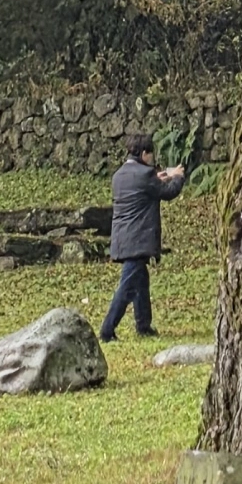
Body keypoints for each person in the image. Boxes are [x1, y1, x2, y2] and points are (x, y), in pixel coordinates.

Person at [99, 135, 187, 343]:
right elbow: (167, 191)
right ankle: (107, 330)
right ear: (144, 154)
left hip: (123, 238)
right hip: (137, 239)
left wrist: (167, 173)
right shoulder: (146, 174)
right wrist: (179, 177)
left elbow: (152, 180)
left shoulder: (119, 175)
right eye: (151, 155)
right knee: (127, 287)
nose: (152, 160)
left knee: (140, 282)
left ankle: (143, 325)